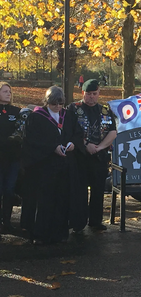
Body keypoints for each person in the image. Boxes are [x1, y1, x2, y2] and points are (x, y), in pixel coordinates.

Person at [20, 86, 84, 244]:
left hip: (65, 166)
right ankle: (40, 234)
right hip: (44, 167)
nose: (57, 107)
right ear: (47, 102)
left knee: (62, 199)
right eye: (54, 104)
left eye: (60, 104)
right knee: (44, 201)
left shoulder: (68, 116)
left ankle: (60, 233)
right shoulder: (36, 117)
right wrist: (52, 147)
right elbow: (31, 141)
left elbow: (78, 134)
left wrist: (72, 144)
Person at [67, 79, 117, 231]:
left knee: (98, 190)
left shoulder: (105, 111)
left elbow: (113, 132)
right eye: (88, 94)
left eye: (94, 94)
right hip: (79, 156)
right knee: (79, 191)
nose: (91, 97)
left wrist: (100, 147)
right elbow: (69, 131)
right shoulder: (74, 109)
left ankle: (95, 221)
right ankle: (78, 223)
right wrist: (85, 145)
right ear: (83, 93)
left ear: (98, 93)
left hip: (99, 157)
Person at [0, 82, 21, 233]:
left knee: (9, 189)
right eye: (4, 91)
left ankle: (6, 221)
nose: (8, 94)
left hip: (12, 158)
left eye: (9, 91)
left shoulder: (17, 111)